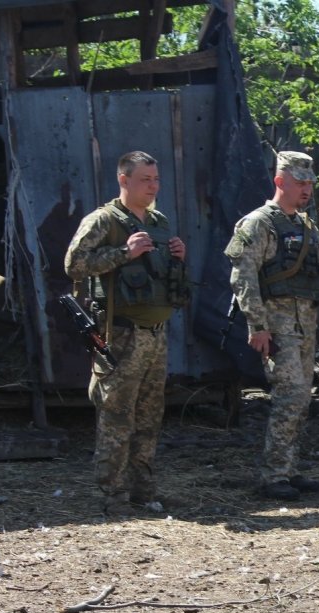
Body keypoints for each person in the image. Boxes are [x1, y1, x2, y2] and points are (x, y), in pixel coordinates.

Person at [64, 150, 189, 515]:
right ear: (123, 180)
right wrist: (122, 252)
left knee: (150, 415)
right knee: (117, 416)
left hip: (156, 334)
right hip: (121, 336)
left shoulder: (159, 221)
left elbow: (164, 275)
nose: (153, 186)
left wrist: (177, 255)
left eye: (156, 179)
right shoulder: (104, 221)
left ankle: (143, 490)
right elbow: (74, 265)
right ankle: (113, 495)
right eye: (144, 180)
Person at [226, 151, 319, 500]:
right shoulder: (258, 223)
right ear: (280, 182)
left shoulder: (306, 226)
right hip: (277, 326)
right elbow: (243, 277)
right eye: (299, 183)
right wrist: (257, 326)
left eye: (309, 183)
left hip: (305, 324)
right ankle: (273, 474)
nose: (306, 190)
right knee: (288, 399)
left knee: (301, 400)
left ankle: (289, 469)